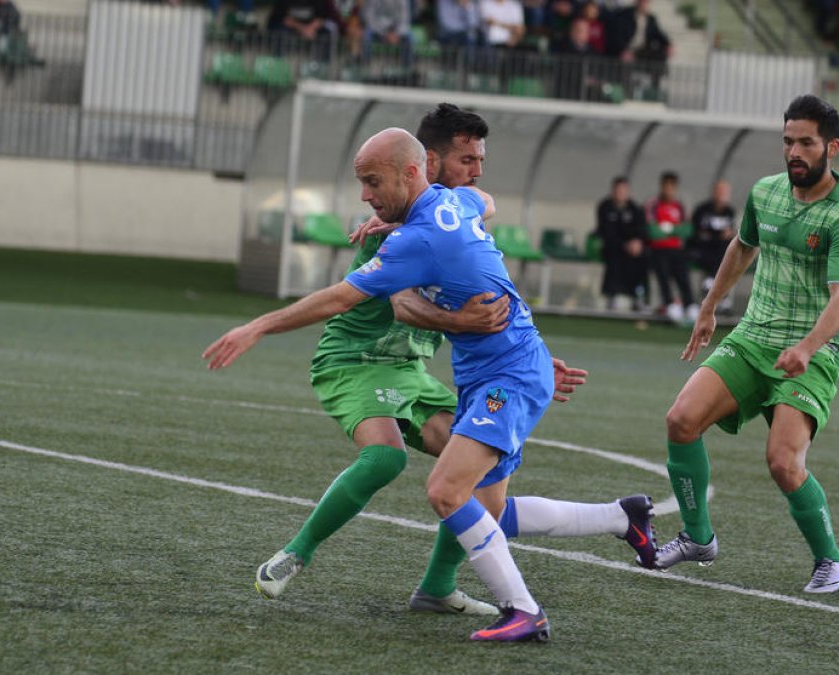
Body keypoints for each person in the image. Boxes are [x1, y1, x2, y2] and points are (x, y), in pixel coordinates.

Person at [212, 110, 657, 635]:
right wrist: (496, 336)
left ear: (412, 171)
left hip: (488, 372)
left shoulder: (424, 226)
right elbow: (408, 292)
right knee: (472, 503)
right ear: (430, 162)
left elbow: (347, 294)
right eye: (468, 160)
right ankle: (617, 518)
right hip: (370, 360)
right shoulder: (438, 211)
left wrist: (259, 327)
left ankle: (517, 610)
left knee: (448, 491)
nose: (476, 172)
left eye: (371, 182)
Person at [656, 95, 839, 594]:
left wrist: (809, 347)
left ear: (831, 147)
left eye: (806, 143)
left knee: (783, 461)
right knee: (680, 421)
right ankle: (698, 537)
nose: (794, 151)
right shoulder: (766, 193)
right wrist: (709, 308)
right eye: (788, 141)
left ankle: (831, 560)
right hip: (753, 337)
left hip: (812, 352)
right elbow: (742, 247)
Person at [645, 171, 697, 323]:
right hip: (658, 249)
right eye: (665, 186)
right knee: (663, 272)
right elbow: (652, 231)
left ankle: (690, 304)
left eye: (671, 187)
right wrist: (674, 230)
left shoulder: (679, 207)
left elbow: (687, 230)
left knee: (683, 274)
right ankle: (669, 304)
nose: (668, 190)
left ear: (675, 188)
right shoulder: (652, 205)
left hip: (676, 249)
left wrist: (668, 229)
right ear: (661, 187)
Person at [594, 176, 649, 310]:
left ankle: (639, 296)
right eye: (618, 190)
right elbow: (605, 232)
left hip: (631, 249)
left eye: (623, 190)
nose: (620, 193)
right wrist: (624, 245)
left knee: (644, 257)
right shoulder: (605, 207)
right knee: (615, 256)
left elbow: (641, 230)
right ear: (613, 191)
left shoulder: (635, 208)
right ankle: (612, 295)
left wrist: (637, 242)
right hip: (612, 246)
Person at [688, 180, 737, 312]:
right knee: (719, 247)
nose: (722, 195)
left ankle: (712, 281)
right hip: (702, 250)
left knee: (727, 248)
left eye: (725, 192)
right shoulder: (702, 210)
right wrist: (717, 235)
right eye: (720, 191)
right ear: (714, 192)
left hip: (719, 251)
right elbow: (700, 235)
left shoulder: (729, 212)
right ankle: (723, 296)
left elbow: (729, 233)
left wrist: (716, 235)